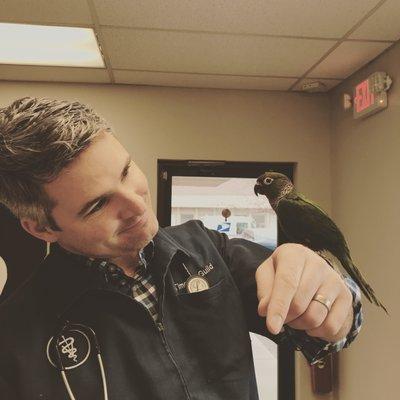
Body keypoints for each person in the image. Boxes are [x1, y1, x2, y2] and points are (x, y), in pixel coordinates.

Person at [0, 97, 362, 400]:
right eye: (97, 205)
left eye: (127, 171)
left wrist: (332, 298)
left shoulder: (208, 249)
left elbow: (333, 331)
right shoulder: (16, 335)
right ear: (42, 228)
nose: (138, 207)